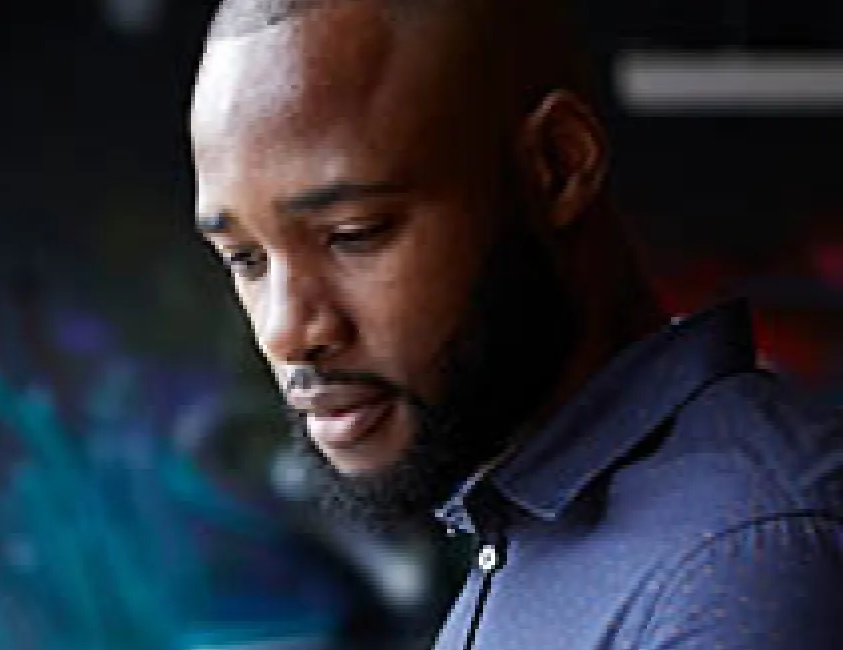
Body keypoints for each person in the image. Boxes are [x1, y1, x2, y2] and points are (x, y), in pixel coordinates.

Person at [186, 0, 843, 648]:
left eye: (353, 234)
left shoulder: (742, 569)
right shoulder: (540, 527)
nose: (286, 330)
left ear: (557, 166)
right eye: (245, 258)